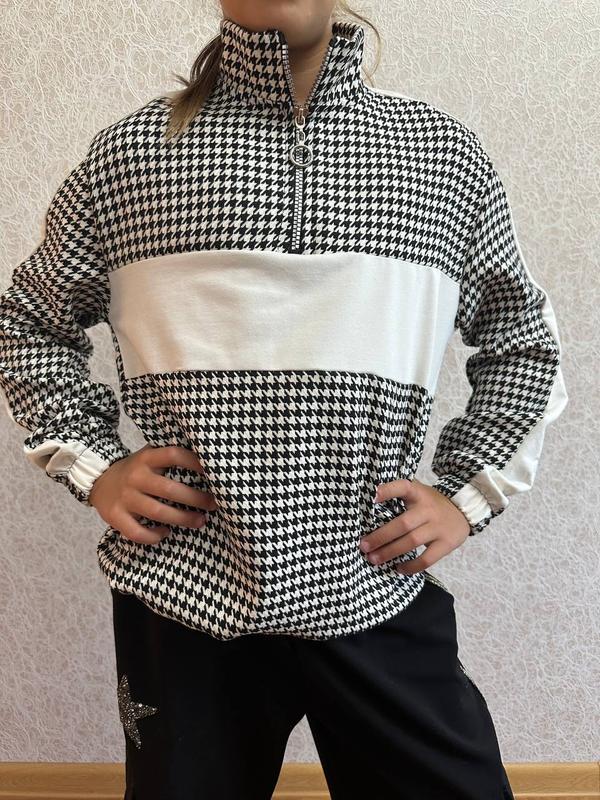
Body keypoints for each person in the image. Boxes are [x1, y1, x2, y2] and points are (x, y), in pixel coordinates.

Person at [0, 0, 568, 798]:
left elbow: (522, 341)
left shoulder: (441, 158)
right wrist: (96, 467)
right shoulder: (131, 157)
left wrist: (464, 494)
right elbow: (29, 321)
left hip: (376, 579)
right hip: (185, 593)